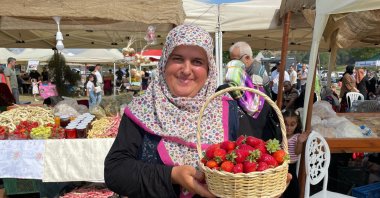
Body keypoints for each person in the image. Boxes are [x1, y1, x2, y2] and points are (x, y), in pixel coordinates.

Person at [104, 24, 289, 198]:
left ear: (209, 70)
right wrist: (172, 175)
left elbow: (248, 174)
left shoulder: (230, 111)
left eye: (197, 61)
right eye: (177, 59)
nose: (186, 70)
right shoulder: (142, 110)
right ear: (164, 64)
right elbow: (115, 172)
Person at [282, 109, 308, 198]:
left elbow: (297, 152)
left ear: (297, 125)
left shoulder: (296, 137)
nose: (288, 127)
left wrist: (300, 141)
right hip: (281, 166)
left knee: (293, 190)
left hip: (291, 167)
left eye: (292, 125)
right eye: (286, 124)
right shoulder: (280, 136)